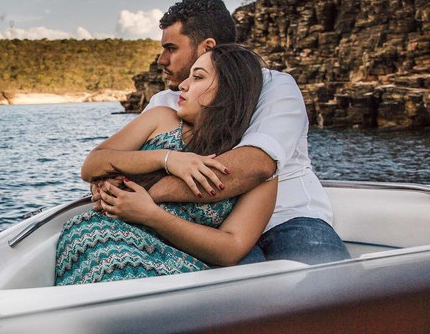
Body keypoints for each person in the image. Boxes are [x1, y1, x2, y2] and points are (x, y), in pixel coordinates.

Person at [129, 0, 349, 265]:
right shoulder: (164, 102)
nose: (161, 60)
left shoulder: (273, 86)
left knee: (329, 290)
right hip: (203, 227)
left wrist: (152, 192)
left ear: (206, 47)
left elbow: (254, 165)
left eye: (171, 48)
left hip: (287, 218)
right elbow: (121, 166)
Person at [55, 44, 278, 285]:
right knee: (116, 273)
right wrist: (168, 159)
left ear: (228, 90)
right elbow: (91, 166)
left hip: (177, 263)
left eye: (198, 77)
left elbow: (231, 248)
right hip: (100, 240)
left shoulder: (252, 166)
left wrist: (152, 215)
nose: (183, 85)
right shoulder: (162, 119)